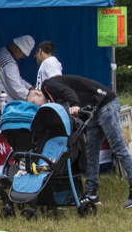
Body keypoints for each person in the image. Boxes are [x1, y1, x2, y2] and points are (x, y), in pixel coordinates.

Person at [28, 75, 132, 208]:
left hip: (105, 103)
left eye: (33, 103)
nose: (36, 106)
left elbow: (69, 92)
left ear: (37, 94)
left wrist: (75, 105)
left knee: (118, 147)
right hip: (94, 110)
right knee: (91, 152)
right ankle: (91, 193)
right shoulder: (53, 96)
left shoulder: (48, 85)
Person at [0, 35, 35, 101]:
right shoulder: (8, 63)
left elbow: (16, 77)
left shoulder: (0, 51)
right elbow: (16, 89)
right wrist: (33, 97)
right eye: (23, 54)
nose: (24, 57)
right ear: (18, 49)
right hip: (1, 102)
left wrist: (29, 87)